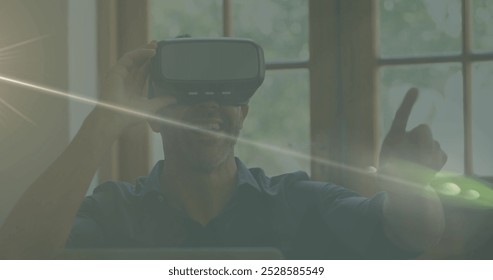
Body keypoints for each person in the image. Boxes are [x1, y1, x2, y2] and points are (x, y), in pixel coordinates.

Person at [0, 41, 447, 259]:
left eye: (225, 96)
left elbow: (415, 235)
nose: (209, 105)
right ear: (153, 116)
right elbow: (17, 256)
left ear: (244, 115)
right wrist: (103, 120)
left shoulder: (300, 203)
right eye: (189, 96)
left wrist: (413, 186)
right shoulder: (115, 211)